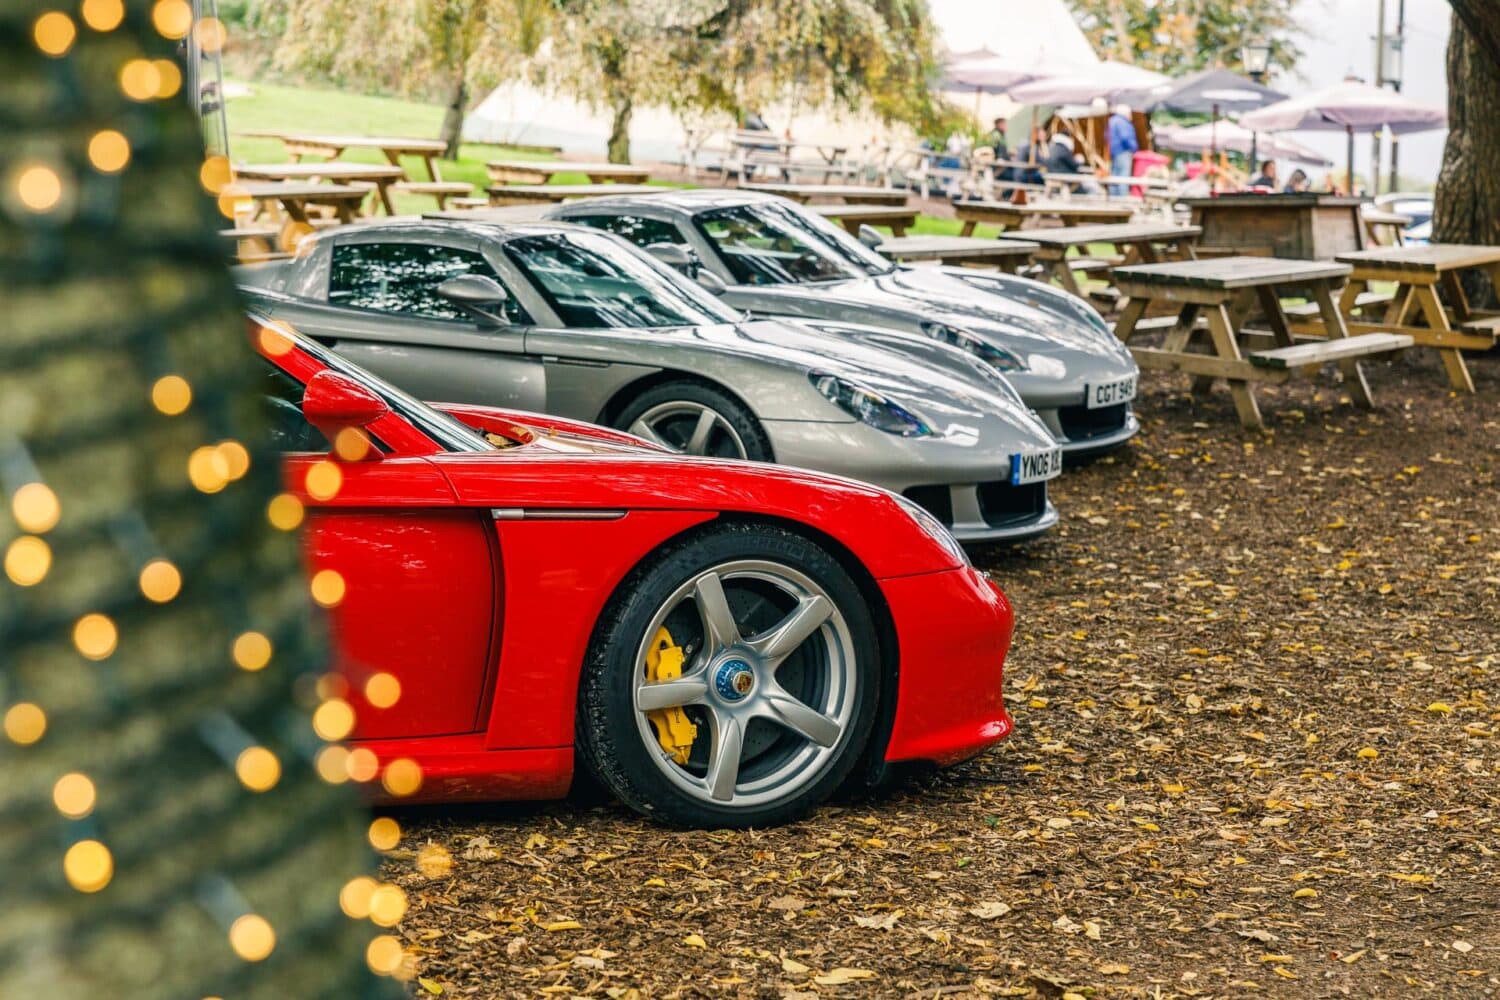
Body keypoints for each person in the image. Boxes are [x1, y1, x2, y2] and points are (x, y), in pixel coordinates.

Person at [1107, 103, 1138, 196]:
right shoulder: (1122, 122)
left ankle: (1113, 198)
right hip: (1123, 151)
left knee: (1115, 176)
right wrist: (1134, 148)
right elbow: (1126, 137)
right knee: (1123, 177)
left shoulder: (1112, 121)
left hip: (1114, 152)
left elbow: (1106, 136)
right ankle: (1122, 199)